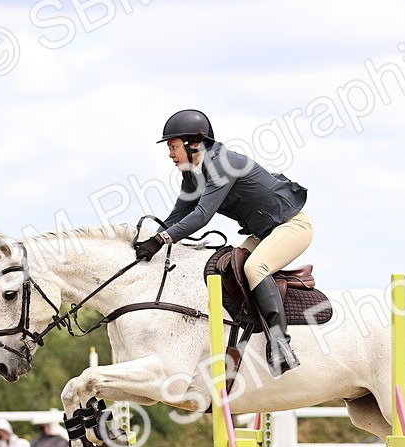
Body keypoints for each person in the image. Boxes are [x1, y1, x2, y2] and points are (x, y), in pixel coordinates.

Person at [133, 109, 311, 377]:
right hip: (265, 234)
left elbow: (202, 215)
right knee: (223, 267)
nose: (170, 154)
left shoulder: (222, 165)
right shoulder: (193, 172)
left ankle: (280, 344)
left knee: (255, 269)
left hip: (292, 227)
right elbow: (179, 213)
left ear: (193, 143)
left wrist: (162, 240)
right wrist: (152, 240)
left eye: (173, 147)